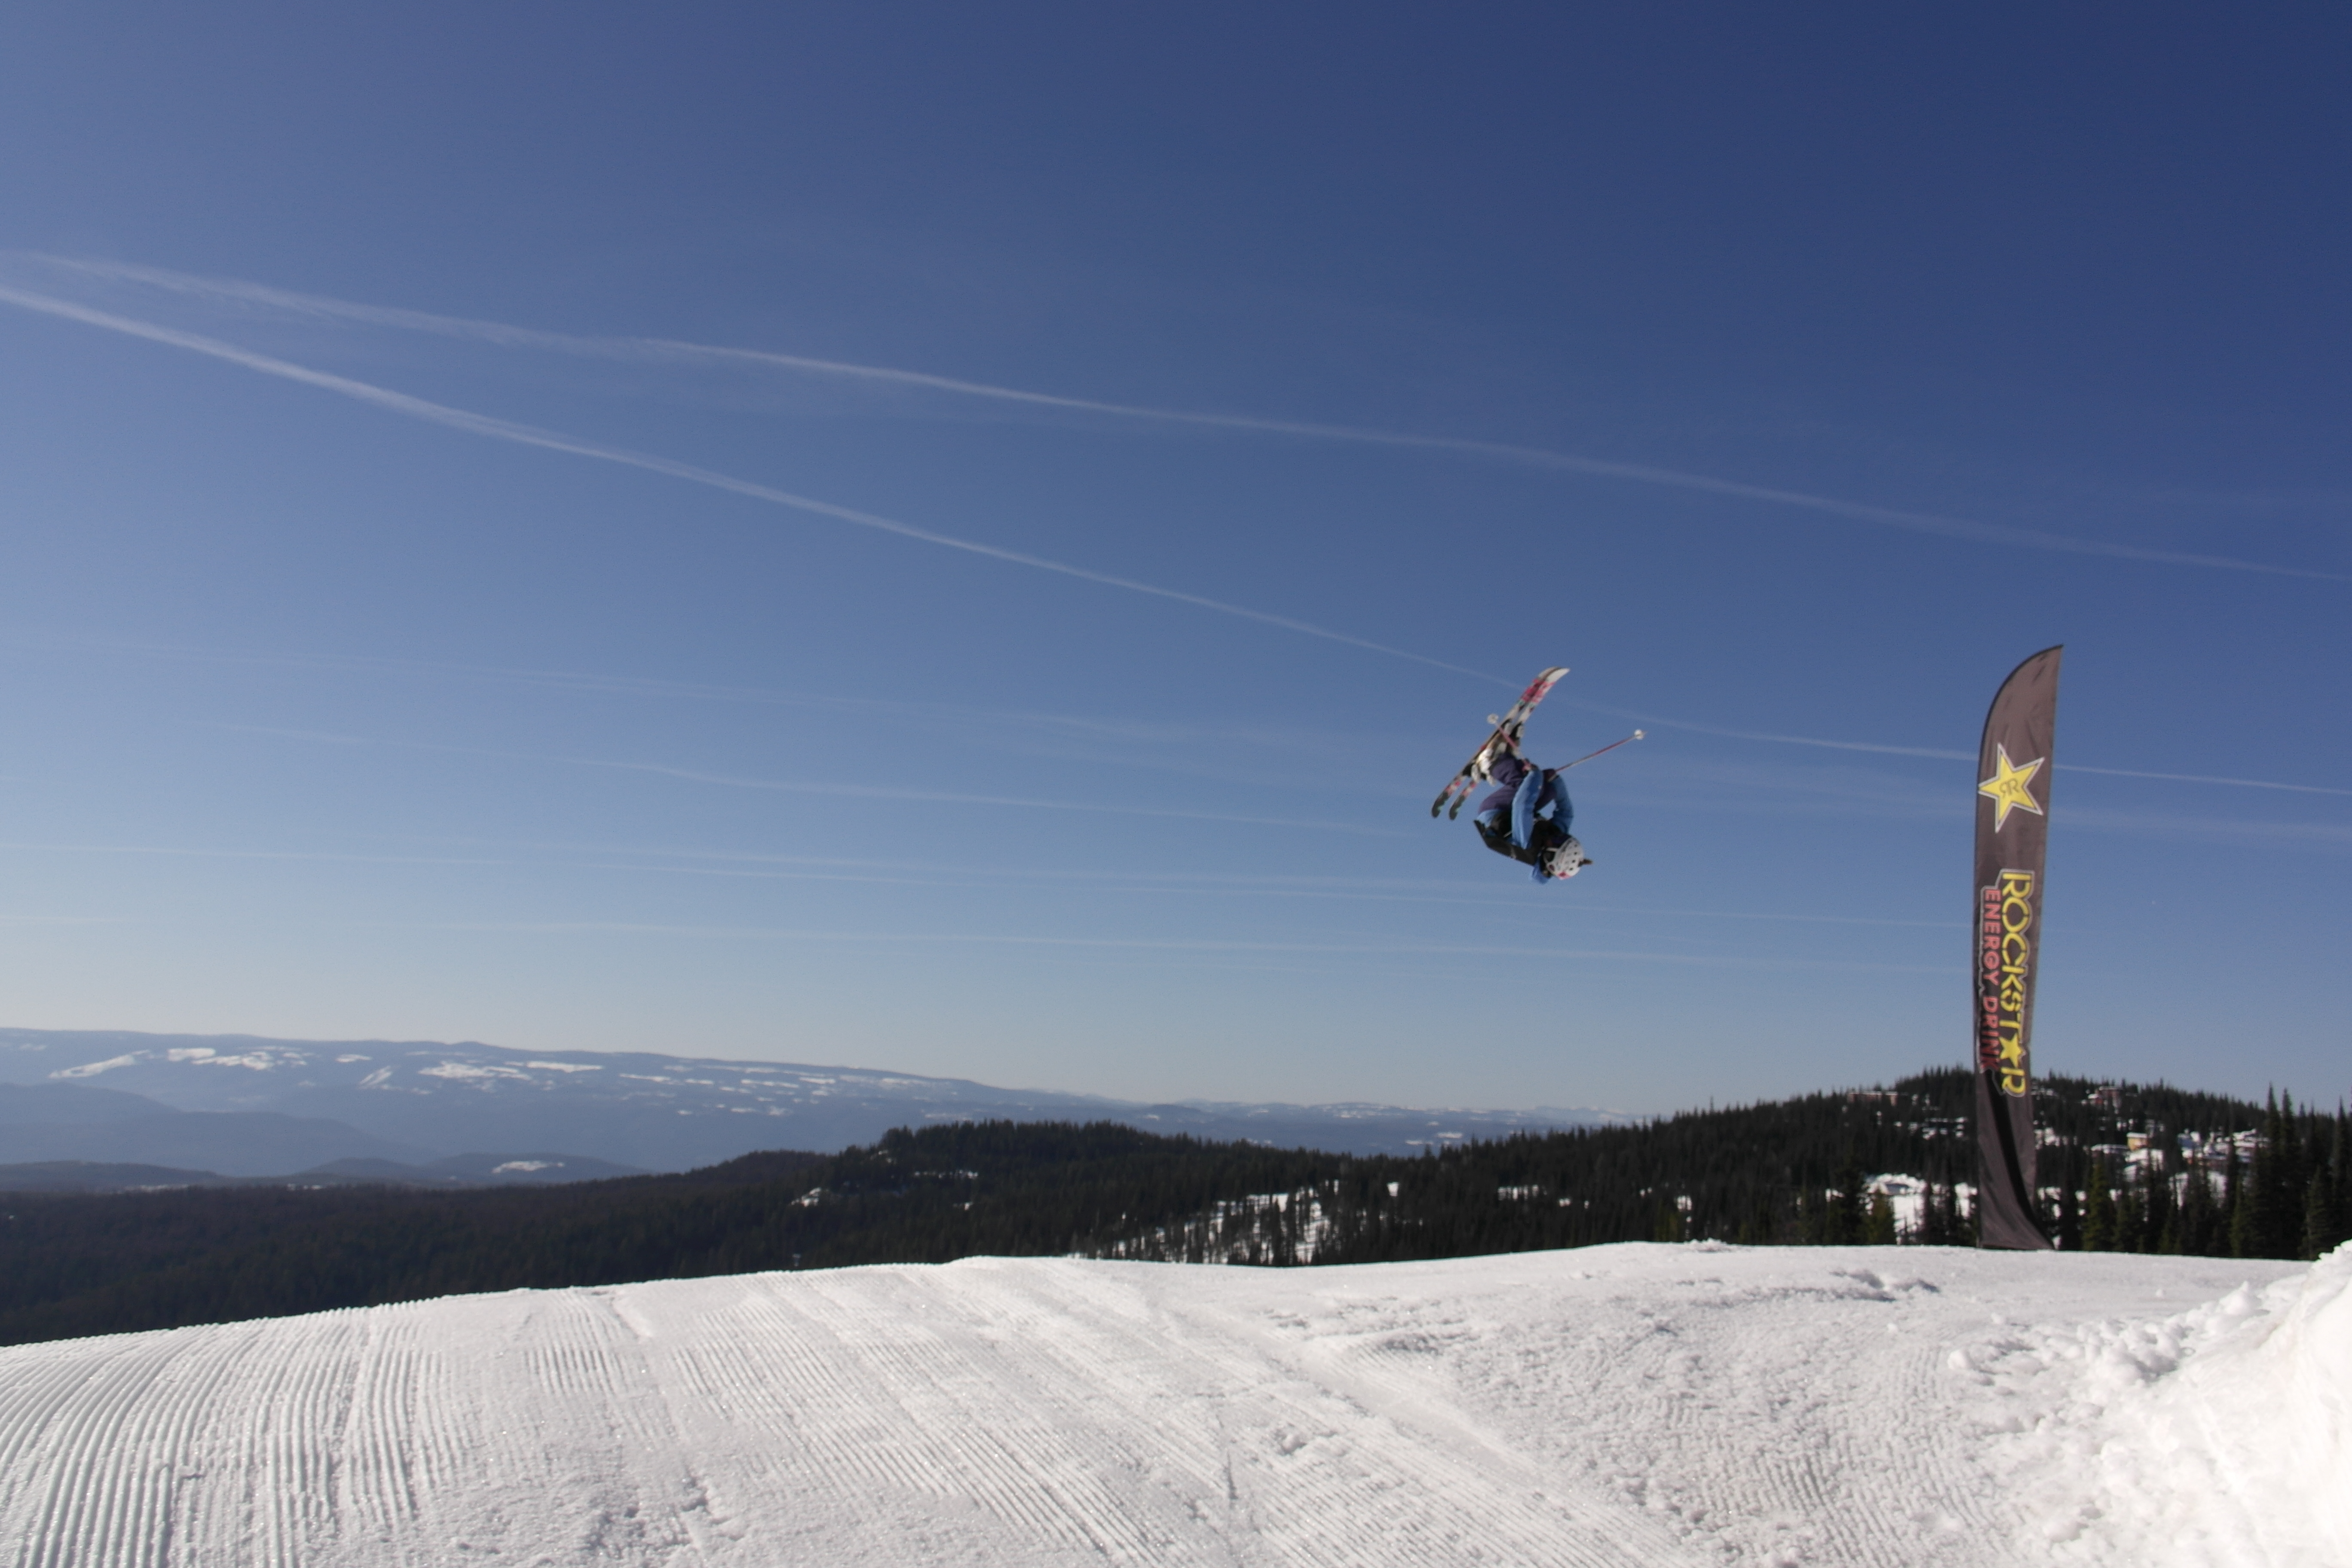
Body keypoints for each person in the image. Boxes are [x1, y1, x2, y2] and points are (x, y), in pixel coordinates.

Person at [1472, 747, 1590, 882]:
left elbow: (1522, 805)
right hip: (1511, 812)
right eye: (1565, 838)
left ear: (1550, 855)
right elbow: (1566, 812)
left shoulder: (1528, 844)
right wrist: (1556, 781)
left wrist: (1535, 775)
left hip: (1494, 811)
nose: (1559, 836)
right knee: (1549, 789)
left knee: (1524, 784)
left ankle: (1489, 764)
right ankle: (1506, 760)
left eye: (1558, 842)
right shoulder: (1556, 834)